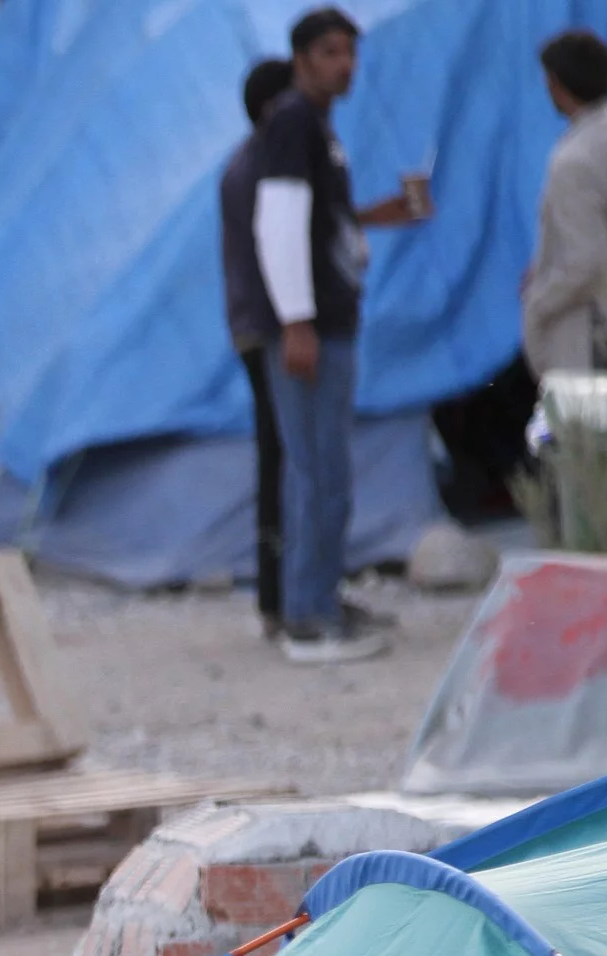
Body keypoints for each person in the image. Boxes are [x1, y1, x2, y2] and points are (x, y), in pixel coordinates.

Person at [253, 7, 430, 664]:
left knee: (331, 472)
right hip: (311, 330)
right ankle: (305, 615)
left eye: (350, 53)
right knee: (315, 472)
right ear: (301, 58)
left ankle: (320, 595)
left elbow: (321, 223)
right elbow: (276, 226)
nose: (344, 66)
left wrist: (382, 216)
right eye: (330, 53)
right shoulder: (293, 124)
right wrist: (295, 321)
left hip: (332, 323)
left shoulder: (322, 131)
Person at [222, 58, 295, 635]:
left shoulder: (251, 163)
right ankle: (284, 595)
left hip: (261, 327)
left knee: (282, 457)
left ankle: (282, 593)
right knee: (287, 458)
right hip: (273, 332)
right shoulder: (262, 167)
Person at [526, 30, 607, 376]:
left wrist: (539, 299)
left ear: (556, 83)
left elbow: (586, 262)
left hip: (591, 342)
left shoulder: (575, 160)